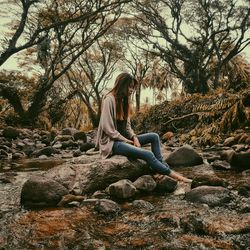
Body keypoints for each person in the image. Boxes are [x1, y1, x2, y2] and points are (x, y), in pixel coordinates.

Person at [95, 72, 192, 183]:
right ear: (122, 84)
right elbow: (108, 129)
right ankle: (178, 177)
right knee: (148, 154)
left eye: (133, 87)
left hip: (126, 139)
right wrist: (126, 141)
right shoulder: (109, 99)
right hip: (112, 142)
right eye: (130, 87)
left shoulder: (125, 101)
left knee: (154, 136)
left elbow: (127, 127)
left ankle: (160, 168)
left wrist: (134, 137)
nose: (131, 90)